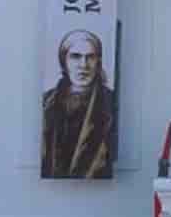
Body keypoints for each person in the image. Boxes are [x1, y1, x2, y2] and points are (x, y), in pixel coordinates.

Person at [40, 28, 117, 178]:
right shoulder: (48, 102)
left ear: (98, 61)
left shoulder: (110, 102)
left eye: (90, 57)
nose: (83, 65)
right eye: (75, 57)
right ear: (64, 61)